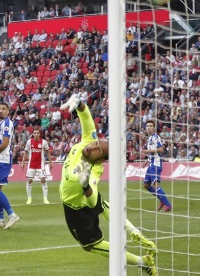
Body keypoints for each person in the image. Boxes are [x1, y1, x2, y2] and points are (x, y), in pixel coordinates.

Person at [58, 95, 157, 275]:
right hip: (80, 198)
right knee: (103, 206)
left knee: (90, 245)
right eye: (96, 143)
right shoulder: (87, 142)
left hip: (77, 208)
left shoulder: (92, 171)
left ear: (101, 160)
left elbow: (92, 201)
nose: (93, 147)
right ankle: (133, 231)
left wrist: (86, 186)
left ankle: (143, 261)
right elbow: (86, 117)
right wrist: (78, 103)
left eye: (98, 150)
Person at [0, 102, 20, 230]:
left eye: (3, 109)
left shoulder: (7, 123)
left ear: (8, 112)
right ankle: (0, 219)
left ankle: (12, 215)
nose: (0, 111)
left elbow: (5, 143)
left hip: (3, 158)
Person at [142, 120, 172, 211]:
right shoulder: (149, 139)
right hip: (151, 164)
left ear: (154, 128)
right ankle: (161, 200)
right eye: (147, 126)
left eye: (151, 126)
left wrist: (147, 152)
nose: (149, 127)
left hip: (156, 164)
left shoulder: (155, 137)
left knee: (155, 185)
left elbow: (161, 150)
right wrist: (147, 160)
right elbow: (153, 152)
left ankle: (168, 205)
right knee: (146, 185)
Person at [20, 128, 52, 205]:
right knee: (29, 181)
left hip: (40, 165)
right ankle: (29, 198)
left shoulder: (43, 142)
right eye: (35, 133)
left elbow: (48, 152)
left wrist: (50, 163)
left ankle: (45, 198)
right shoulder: (29, 142)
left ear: (39, 134)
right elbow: (26, 152)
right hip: (31, 165)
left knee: (43, 180)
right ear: (33, 134)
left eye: (38, 133)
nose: (36, 134)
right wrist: (23, 162)